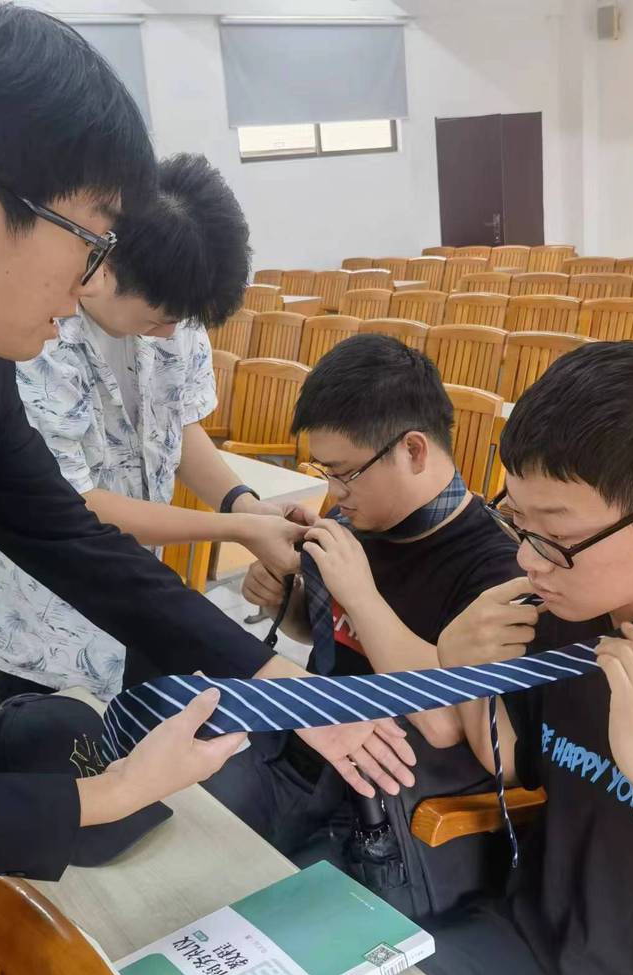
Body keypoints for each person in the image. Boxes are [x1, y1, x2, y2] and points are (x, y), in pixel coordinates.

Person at [0, 0, 412, 882]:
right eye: (88, 238)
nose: (90, 279)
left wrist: (276, 682)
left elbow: (71, 538)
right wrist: (100, 799)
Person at [423, 341, 633, 975]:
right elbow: (517, 760)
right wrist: (466, 668)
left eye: (556, 535)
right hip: (521, 948)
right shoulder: (566, 608)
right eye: (518, 523)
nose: (527, 558)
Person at [0, 153, 305, 706]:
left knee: (143, 736)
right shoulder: (36, 333)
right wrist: (235, 529)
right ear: (107, 264)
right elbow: (68, 509)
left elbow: (176, 426)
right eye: (158, 317)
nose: (168, 333)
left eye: (181, 321)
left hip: (137, 591)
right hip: (36, 614)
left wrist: (243, 504)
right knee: (52, 743)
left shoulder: (176, 312)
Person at [204, 335, 521, 916]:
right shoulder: (366, 515)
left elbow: (447, 724)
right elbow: (335, 639)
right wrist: (288, 603)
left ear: (414, 450)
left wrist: (359, 592)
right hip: (306, 760)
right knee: (181, 822)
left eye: (345, 473)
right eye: (325, 472)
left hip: (386, 817)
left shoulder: (498, 568)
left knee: (229, 898)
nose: (335, 493)